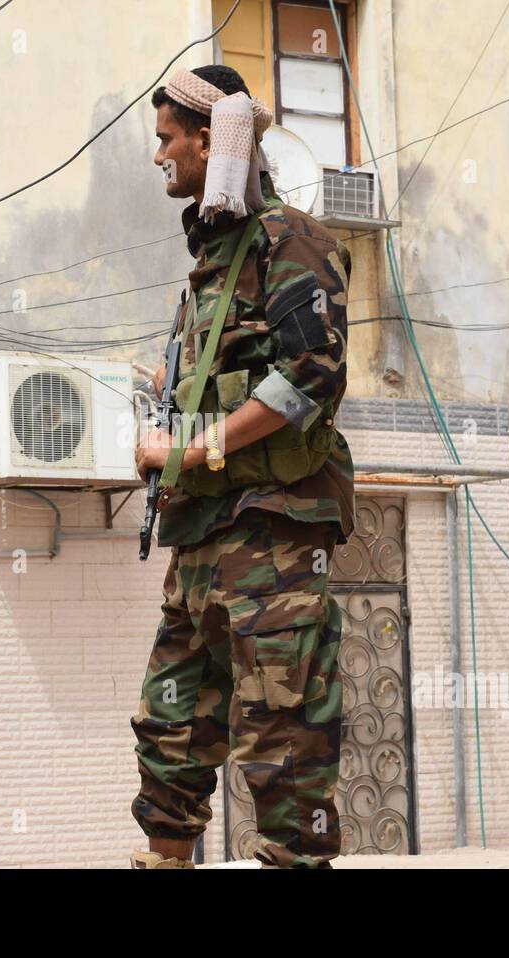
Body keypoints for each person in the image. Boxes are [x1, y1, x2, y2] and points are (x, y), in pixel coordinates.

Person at [129, 64, 356, 869]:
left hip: (272, 538)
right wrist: (173, 389)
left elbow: (309, 379)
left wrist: (189, 447)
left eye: (166, 139)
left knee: (284, 743)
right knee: (172, 731)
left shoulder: (290, 240)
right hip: (202, 539)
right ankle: (165, 857)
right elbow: (244, 371)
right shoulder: (211, 266)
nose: (158, 155)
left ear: (209, 137)